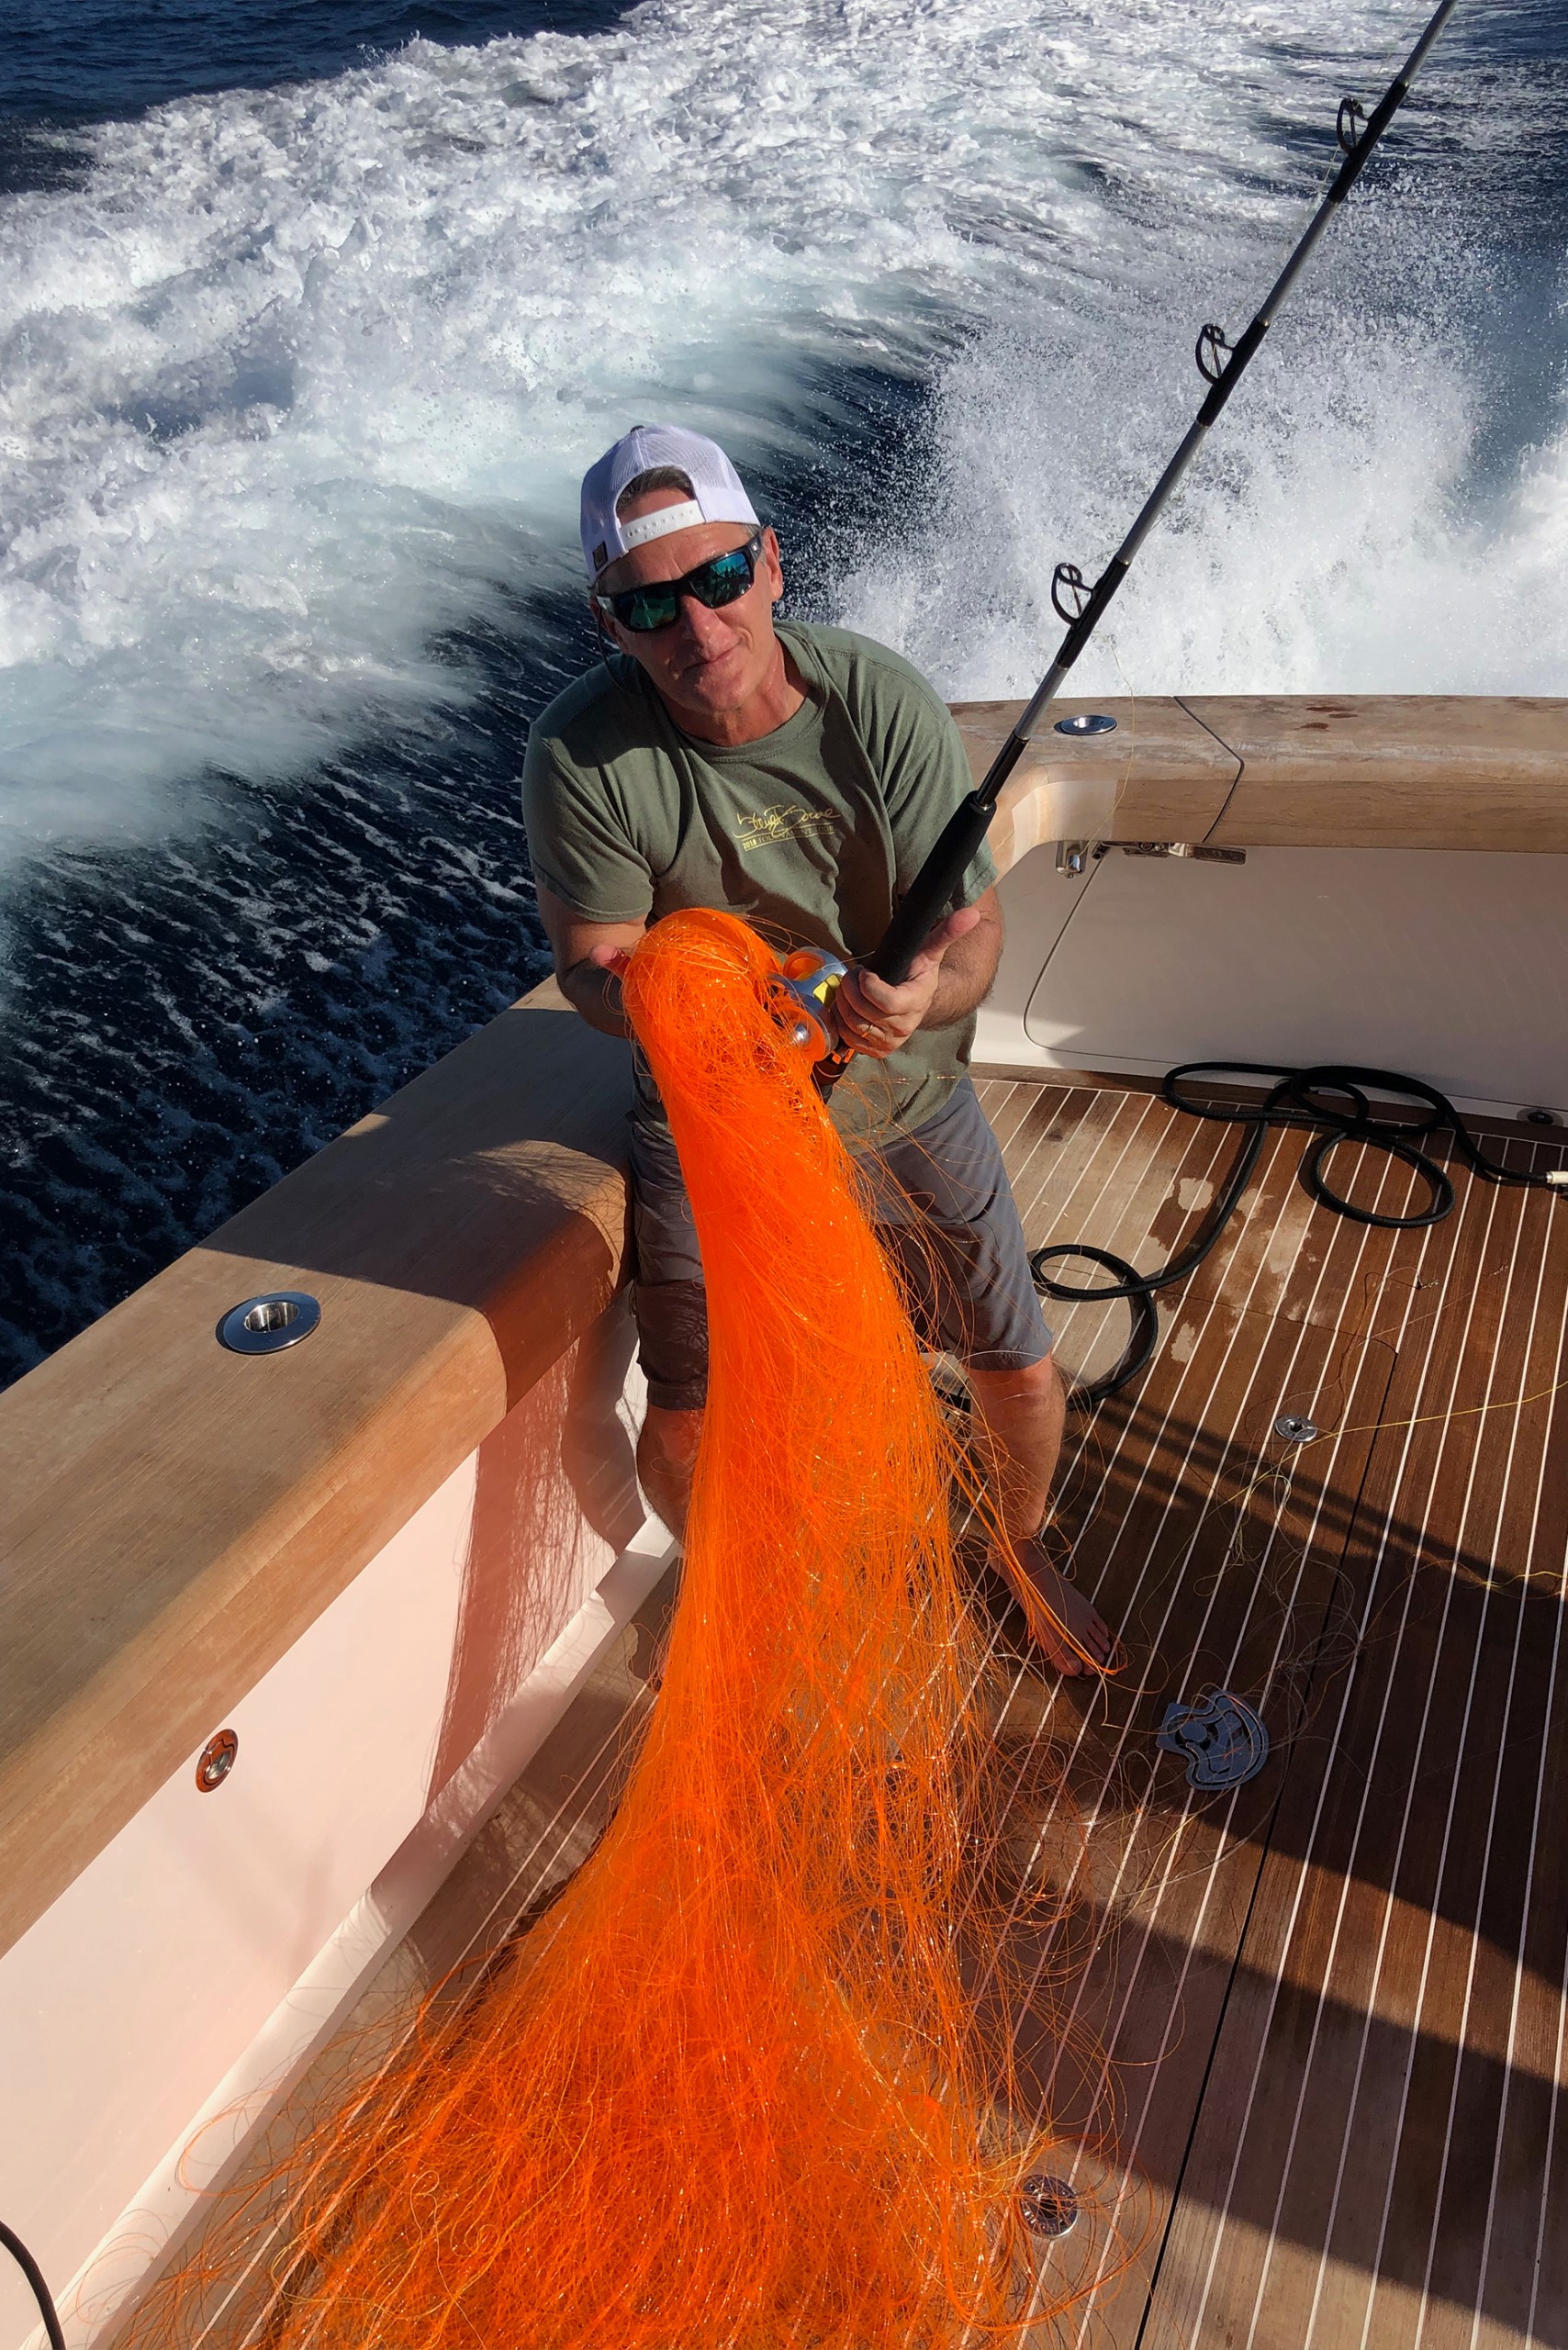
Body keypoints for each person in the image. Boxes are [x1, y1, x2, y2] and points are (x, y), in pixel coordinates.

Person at [521, 424, 1110, 1674]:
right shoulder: (579, 752)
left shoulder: (879, 698)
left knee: (1013, 1360)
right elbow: (591, 963)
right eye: (651, 603)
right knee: (686, 1421)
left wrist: (923, 995)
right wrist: (711, 998)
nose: (699, 625)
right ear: (610, 621)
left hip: (907, 1101)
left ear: (773, 564)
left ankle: (1018, 1541)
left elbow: (975, 929)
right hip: (711, 1126)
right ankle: (742, 1584)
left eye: (722, 578)